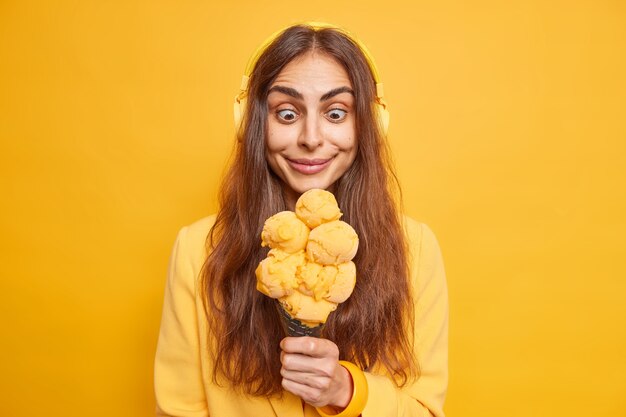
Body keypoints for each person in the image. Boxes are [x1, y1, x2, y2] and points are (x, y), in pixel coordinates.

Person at [154, 22, 448, 417]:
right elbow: (178, 410)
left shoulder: (416, 249)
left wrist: (347, 391)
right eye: (288, 113)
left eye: (336, 112)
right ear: (253, 124)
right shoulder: (197, 249)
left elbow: (426, 410)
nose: (311, 137)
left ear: (369, 126)